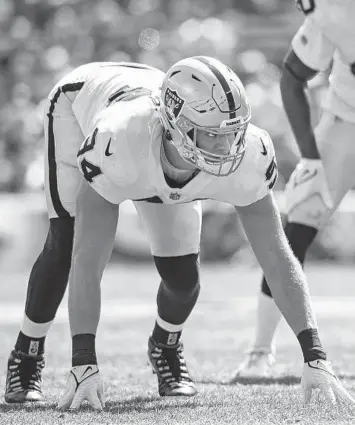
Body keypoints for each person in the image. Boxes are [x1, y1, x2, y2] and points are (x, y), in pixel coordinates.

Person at [4, 57, 352, 410]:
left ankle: (165, 346)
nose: (227, 148)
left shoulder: (248, 152)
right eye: (213, 135)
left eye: (234, 133)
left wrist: (315, 355)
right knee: (66, 241)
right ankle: (26, 354)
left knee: (183, 278)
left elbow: (278, 258)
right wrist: (84, 362)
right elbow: (88, 260)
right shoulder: (119, 139)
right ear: (177, 125)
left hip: (154, 132)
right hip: (78, 107)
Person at [231, 0, 355, 380]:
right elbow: (292, 76)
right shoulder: (336, 11)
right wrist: (313, 159)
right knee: (299, 221)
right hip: (346, 121)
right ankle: (259, 352)